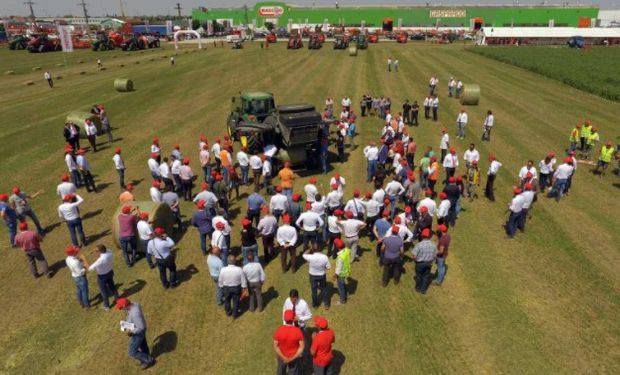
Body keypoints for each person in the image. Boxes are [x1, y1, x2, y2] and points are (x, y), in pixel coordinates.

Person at [115, 298, 156, 370]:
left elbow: (141, 327)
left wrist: (131, 331)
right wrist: (126, 323)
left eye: (121, 307)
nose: (121, 309)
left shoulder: (135, 314)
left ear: (125, 306)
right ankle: (145, 359)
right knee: (143, 346)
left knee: (132, 352)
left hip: (138, 334)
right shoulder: (134, 304)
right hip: (137, 329)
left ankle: (149, 360)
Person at [82, 244, 119, 310]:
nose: (95, 252)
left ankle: (106, 306)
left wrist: (84, 259)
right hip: (110, 272)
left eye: (96, 251)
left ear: (100, 251)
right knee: (112, 286)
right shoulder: (109, 252)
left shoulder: (101, 260)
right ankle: (117, 299)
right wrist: (95, 250)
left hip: (102, 277)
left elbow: (90, 268)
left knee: (103, 291)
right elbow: (105, 249)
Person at [273, 309, 305, 374]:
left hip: (282, 356)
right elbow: (302, 347)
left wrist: (284, 357)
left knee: (280, 371)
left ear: (284, 319)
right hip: (294, 357)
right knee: (293, 372)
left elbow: (275, 346)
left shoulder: (279, 330)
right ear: (293, 319)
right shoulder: (298, 331)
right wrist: (292, 358)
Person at [303, 244, 331, 309]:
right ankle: (326, 304)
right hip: (322, 275)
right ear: (320, 248)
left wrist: (309, 249)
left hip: (313, 275)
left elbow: (304, 254)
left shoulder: (310, 257)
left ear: (313, 249)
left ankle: (315, 305)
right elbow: (328, 267)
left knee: (314, 290)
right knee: (324, 289)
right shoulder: (324, 257)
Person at [411, 228, 437, 294]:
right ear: (430, 236)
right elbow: (435, 255)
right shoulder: (433, 245)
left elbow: (414, 255)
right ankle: (423, 290)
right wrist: (431, 261)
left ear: (422, 235)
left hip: (420, 263)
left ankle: (418, 288)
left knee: (419, 275)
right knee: (426, 276)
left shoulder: (419, 245)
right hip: (429, 263)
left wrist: (415, 260)